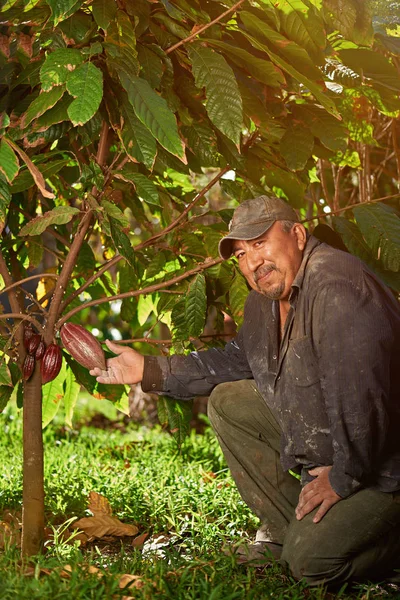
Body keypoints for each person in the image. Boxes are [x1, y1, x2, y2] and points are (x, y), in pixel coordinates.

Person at [90, 195, 400, 588]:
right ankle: (289, 530)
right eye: (240, 254)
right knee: (230, 401)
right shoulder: (265, 299)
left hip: (385, 472)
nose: (252, 262)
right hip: (339, 451)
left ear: (298, 236)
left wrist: (343, 477)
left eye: (259, 244)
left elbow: (364, 403)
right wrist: (148, 369)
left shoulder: (336, 287)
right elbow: (237, 360)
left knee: (309, 567)